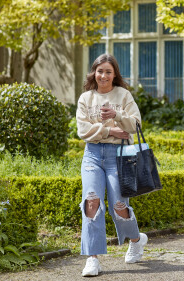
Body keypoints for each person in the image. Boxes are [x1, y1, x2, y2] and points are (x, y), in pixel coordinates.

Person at [76, 54, 148, 277]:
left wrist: (117, 115)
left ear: (114, 74)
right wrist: (109, 130)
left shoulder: (123, 95)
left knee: (119, 205)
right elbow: (82, 131)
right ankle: (92, 259)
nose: (104, 75)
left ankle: (136, 240)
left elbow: (135, 125)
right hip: (92, 156)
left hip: (119, 156)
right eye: (100, 71)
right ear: (94, 73)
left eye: (108, 71)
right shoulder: (86, 98)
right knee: (91, 202)